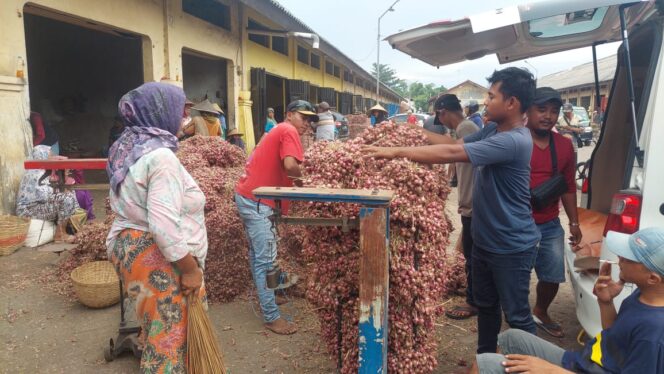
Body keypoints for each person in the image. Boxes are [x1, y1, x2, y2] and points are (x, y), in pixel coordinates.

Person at [362, 67, 540, 354]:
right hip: (485, 241)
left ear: (512, 103)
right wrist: (411, 131)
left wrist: (395, 152)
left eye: (491, 96)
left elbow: (452, 154)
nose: (486, 102)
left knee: (518, 316)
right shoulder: (493, 129)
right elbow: (452, 143)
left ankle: (531, 365)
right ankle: (485, 362)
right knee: (486, 307)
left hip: (512, 246)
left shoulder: (514, 140)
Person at [106, 82, 207, 373]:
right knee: (169, 345)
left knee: (159, 334)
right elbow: (163, 225)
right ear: (161, 113)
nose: (183, 119)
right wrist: (190, 269)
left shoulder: (128, 150)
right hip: (158, 256)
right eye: (180, 111)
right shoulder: (161, 158)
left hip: (131, 249)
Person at [471, 227, 664, 374]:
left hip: (578, 369)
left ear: (653, 278)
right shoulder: (641, 296)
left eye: (629, 258)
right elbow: (615, 340)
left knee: (484, 365)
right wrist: (605, 303)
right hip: (582, 363)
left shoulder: (653, 332)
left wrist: (550, 370)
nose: (620, 258)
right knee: (511, 338)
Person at [234, 100, 319, 335]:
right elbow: (291, 166)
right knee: (265, 259)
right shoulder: (288, 129)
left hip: (248, 195)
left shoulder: (280, 130)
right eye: (303, 117)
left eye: (310, 119)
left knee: (258, 254)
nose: (307, 124)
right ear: (290, 115)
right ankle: (271, 316)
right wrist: (309, 182)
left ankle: (268, 296)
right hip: (257, 200)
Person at [526, 87, 582, 338]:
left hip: (549, 223)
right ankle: (517, 316)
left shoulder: (564, 145)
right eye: (542, 109)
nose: (548, 116)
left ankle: (541, 310)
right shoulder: (514, 138)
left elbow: (568, 186)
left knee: (551, 275)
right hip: (517, 223)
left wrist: (574, 222)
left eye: (554, 111)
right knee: (515, 276)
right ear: (528, 109)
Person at [423, 94, 480, 321]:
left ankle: (474, 301)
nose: (442, 124)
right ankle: (475, 297)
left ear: (442, 112)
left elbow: (453, 150)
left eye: (440, 119)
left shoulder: (466, 128)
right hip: (470, 204)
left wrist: (420, 137)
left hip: (475, 205)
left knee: (474, 257)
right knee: (471, 253)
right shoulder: (466, 128)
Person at [16, 145, 79, 243]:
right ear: (42, 157)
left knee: (70, 195)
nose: (52, 158)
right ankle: (60, 234)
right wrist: (60, 192)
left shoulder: (43, 171)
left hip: (37, 206)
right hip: (28, 210)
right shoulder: (34, 173)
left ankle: (73, 229)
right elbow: (44, 196)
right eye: (50, 156)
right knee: (66, 199)